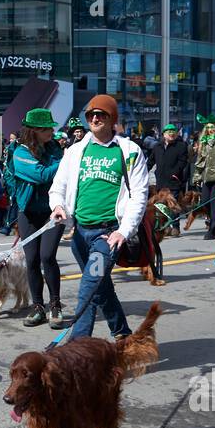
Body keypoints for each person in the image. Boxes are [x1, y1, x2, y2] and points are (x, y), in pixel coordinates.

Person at [48, 94, 150, 342]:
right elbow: (57, 187)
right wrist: (58, 206)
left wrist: (123, 232)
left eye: (101, 114)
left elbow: (139, 195)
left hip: (107, 236)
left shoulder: (129, 151)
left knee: (87, 289)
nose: (95, 118)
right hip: (80, 235)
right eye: (91, 114)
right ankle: (124, 335)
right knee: (100, 287)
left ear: (112, 119)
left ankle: (77, 349)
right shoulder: (75, 151)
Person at [9, 109, 66, 328]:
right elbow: (41, 174)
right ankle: (38, 307)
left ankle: (55, 306)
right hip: (29, 212)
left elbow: (59, 175)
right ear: (34, 131)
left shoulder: (54, 148)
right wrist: (65, 162)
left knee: (47, 256)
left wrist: (63, 161)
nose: (52, 131)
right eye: (47, 128)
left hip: (53, 210)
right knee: (31, 260)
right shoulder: (19, 152)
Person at [150, 122, 189, 234]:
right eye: (169, 132)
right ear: (164, 134)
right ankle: (166, 226)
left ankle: (175, 227)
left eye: (173, 132)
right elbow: (151, 161)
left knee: (173, 204)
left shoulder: (181, 146)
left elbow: (183, 162)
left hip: (174, 180)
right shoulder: (157, 147)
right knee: (162, 205)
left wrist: (175, 173)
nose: (171, 134)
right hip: (161, 180)